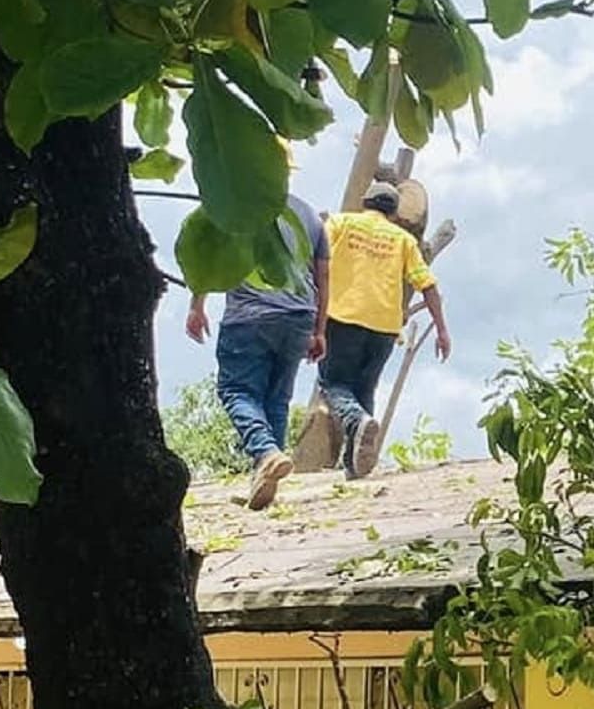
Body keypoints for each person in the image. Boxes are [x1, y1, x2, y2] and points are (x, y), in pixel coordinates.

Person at [185, 152, 328, 511]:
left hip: (249, 317)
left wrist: (196, 305)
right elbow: (323, 276)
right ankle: (264, 482)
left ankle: (265, 451)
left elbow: (210, 256)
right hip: (299, 315)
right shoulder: (309, 215)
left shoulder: (236, 206)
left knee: (236, 390)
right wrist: (320, 329)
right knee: (276, 398)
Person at [318, 181, 451, 477]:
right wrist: (442, 330)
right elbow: (427, 284)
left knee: (334, 385)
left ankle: (354, 422)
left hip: (343, 317)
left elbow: (319, 261)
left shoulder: (340, 223)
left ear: (365, 201)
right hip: (385, 328)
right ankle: (355, 466)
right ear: (393, 213)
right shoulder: (403, 240)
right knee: (365, 387)